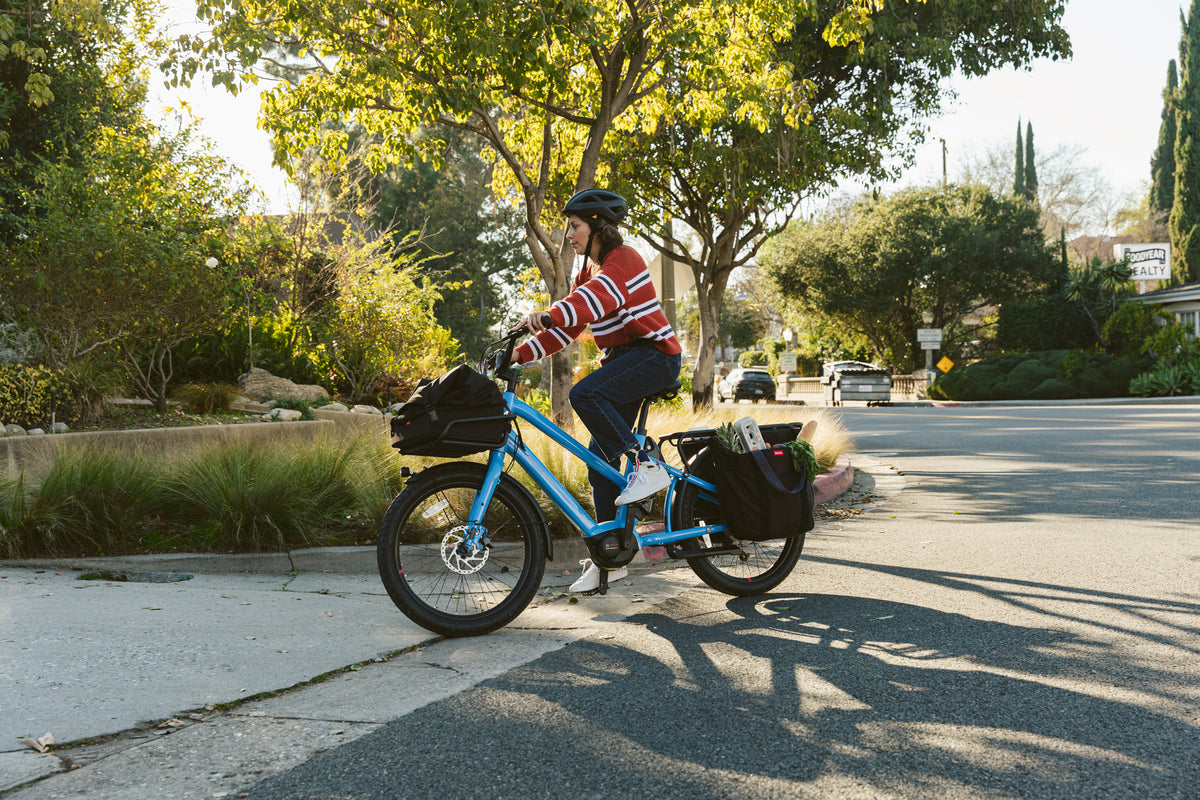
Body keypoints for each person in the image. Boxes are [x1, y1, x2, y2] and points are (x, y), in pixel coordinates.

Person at [510, 188, 683, 592]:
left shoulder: (623, 260)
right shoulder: (587, 272)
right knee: (599, 462)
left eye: (574, 227)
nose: (568, 235)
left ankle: (646, 465)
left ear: (597, 227)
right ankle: (612, 557)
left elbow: (593, 300)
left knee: (584, 394)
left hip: (655, 356)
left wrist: (548, 313)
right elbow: (568, 328)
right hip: (626, 362)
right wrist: (518, 353)